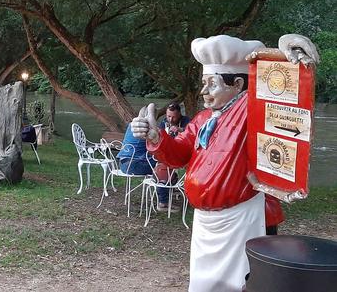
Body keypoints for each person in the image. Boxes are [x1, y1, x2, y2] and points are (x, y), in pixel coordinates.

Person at [130, 34, 317, 292]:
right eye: (203, 83)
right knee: (206, 283)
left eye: (212, 84)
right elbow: (180, 153)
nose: (204, 91)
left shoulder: (252, 109)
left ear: (238, 84)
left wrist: (286, 57)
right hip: (207, 222)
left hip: (241, 217)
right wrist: (155, 136)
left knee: (243, 282)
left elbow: (281, 98)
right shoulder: (203, 119)